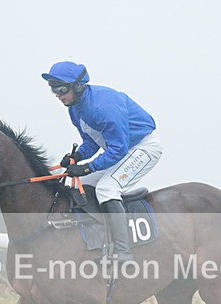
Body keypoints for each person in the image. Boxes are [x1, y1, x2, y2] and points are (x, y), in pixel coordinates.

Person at [42, 61, 162, 264]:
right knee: (83, 183)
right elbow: (92, 141)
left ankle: (123, 252)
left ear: (78, 86)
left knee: (107, 188)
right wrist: (77, 157)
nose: (58, 95)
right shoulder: (74, 108)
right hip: (120, 149)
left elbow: (117, 149)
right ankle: (100, 241)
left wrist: (87, 166)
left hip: (143, 147)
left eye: (61, 89)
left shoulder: (103, 106)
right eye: (53, 88)